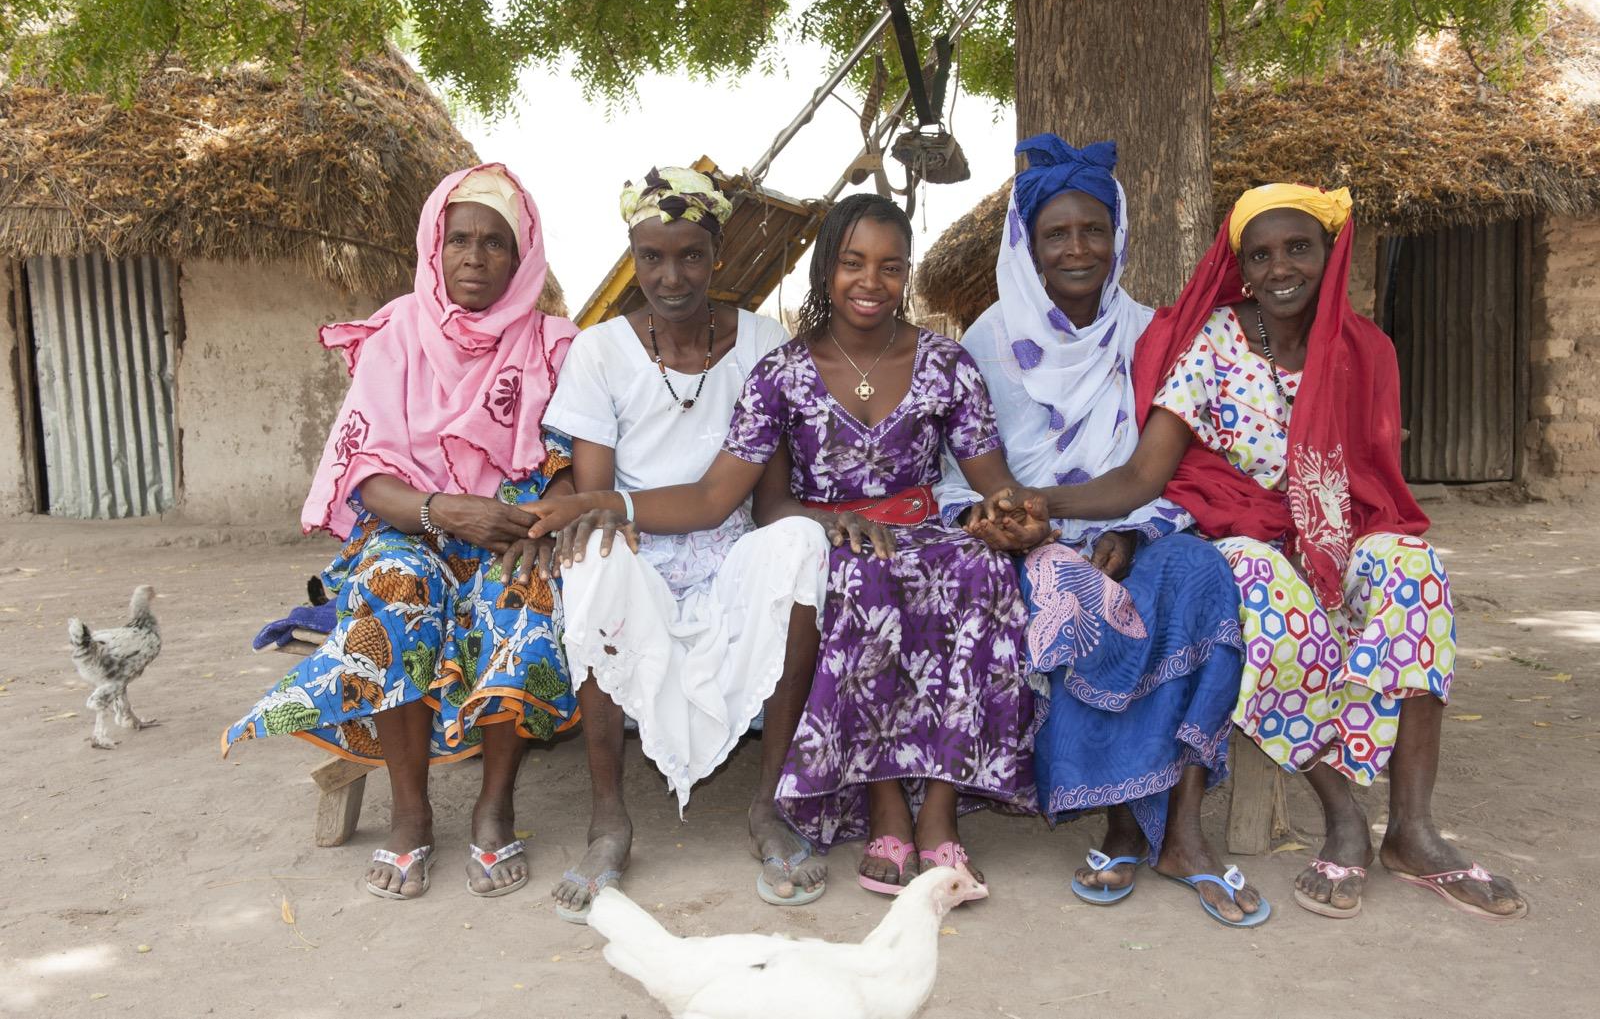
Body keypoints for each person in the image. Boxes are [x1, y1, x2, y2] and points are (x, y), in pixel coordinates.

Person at [1025, 182, 1528, 922]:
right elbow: (1142, 476)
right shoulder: (1216, 343)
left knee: (1416, 571)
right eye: (1259, 255)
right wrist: (1041, 504)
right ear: (1242, 267)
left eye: (1298, 248)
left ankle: (1413, 829)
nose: (1280, 267)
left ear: (1331, 252)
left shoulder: (1366, 350)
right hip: (1240, 535)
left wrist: (1336, 547)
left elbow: (1374, 480)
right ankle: (1344, 816)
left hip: (1338, 534)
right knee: (1264, 583)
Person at [526, 194, 1049, 897]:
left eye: (891, 267)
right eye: (853, 263)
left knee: (981, 569)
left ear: (907, 273)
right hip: (830, 531)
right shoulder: (783, 370)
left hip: (924, 529)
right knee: (859, 576)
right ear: (826, 268)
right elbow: (738, 498)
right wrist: (599, 503)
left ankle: (940, 812)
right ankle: (886, 806)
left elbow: (994, 483)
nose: (871, 281)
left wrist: (1016, 518)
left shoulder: (946, 363)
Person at [223, 163, 579, 901]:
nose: (474, 257)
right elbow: (365, 473)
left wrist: (542, 520)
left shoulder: (554, 345)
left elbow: (572, 463)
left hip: (512, 528)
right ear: (434, 248)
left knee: (523, 591)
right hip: (411, 524)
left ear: (522, 259)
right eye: (459, 240)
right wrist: (445, 510)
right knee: (395, 585)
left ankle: (494, 804)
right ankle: (411, 812)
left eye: (495, 243)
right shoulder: (396, 334)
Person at [936, 136, 1263, 926]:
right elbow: (960, 479)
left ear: (1118, 236)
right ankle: (1120, 821)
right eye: (1057, 234)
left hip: (1133, 526)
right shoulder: (987, 341)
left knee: (1199, 575)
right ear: (1029, 245)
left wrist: (1137, 533)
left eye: (1093, 230)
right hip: (1027, 543)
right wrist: (1010, 525)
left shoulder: (1151, 334)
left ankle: (1181, 828)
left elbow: (1169, 469)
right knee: (1075, 592)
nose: (1078, 248)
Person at [538, 167, 830, 921]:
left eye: (691, 255)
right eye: (652, 257)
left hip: (730, 545)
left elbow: (764, 497)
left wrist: (819, 524)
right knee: (592, 556)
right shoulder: (600, 352)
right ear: (633, 258)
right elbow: (598, 500)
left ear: (717, 255)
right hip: (638, 547)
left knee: (800, 543)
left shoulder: (764, 342)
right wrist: (615, 519)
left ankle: (769, 805)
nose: (672, 276)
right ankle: (609, 820)